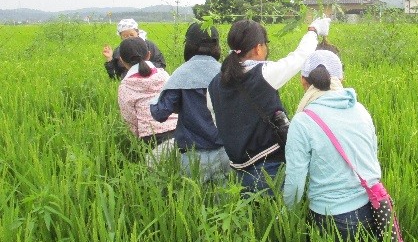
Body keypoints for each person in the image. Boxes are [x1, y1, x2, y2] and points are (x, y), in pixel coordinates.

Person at [207, 17, 331, 195]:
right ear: (258, 47)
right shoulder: (264, 73)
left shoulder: (213, 84)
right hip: (271, 169)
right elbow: (299, 57)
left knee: (252, 220)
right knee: (279, 219)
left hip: (238, 172)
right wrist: (313, 31)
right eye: (265, 44)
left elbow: (217, 120)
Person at [283, 50, 381, 242]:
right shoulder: (360, 109)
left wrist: (288, 216)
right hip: (371, 208)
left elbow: (295, 180)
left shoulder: (303, 121)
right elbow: (371, 154)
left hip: (331, 218)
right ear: (341, 78)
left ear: (303, 81)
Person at [150, 22, 230, 182]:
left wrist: (153, 98)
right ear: (216, 45)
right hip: (226, 152)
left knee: (195, 201)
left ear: (189, 45)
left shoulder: (181, 74)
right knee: (224, 201)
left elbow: (160, 113)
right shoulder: (226, 73)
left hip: (192, 154)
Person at [117, 37, 178, 165]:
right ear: (149, 54)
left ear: (122, 61)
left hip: (151, 139)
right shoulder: (164, 75)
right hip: (180, 132)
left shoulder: (126, 85)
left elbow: (130, 119)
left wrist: (136, 139)